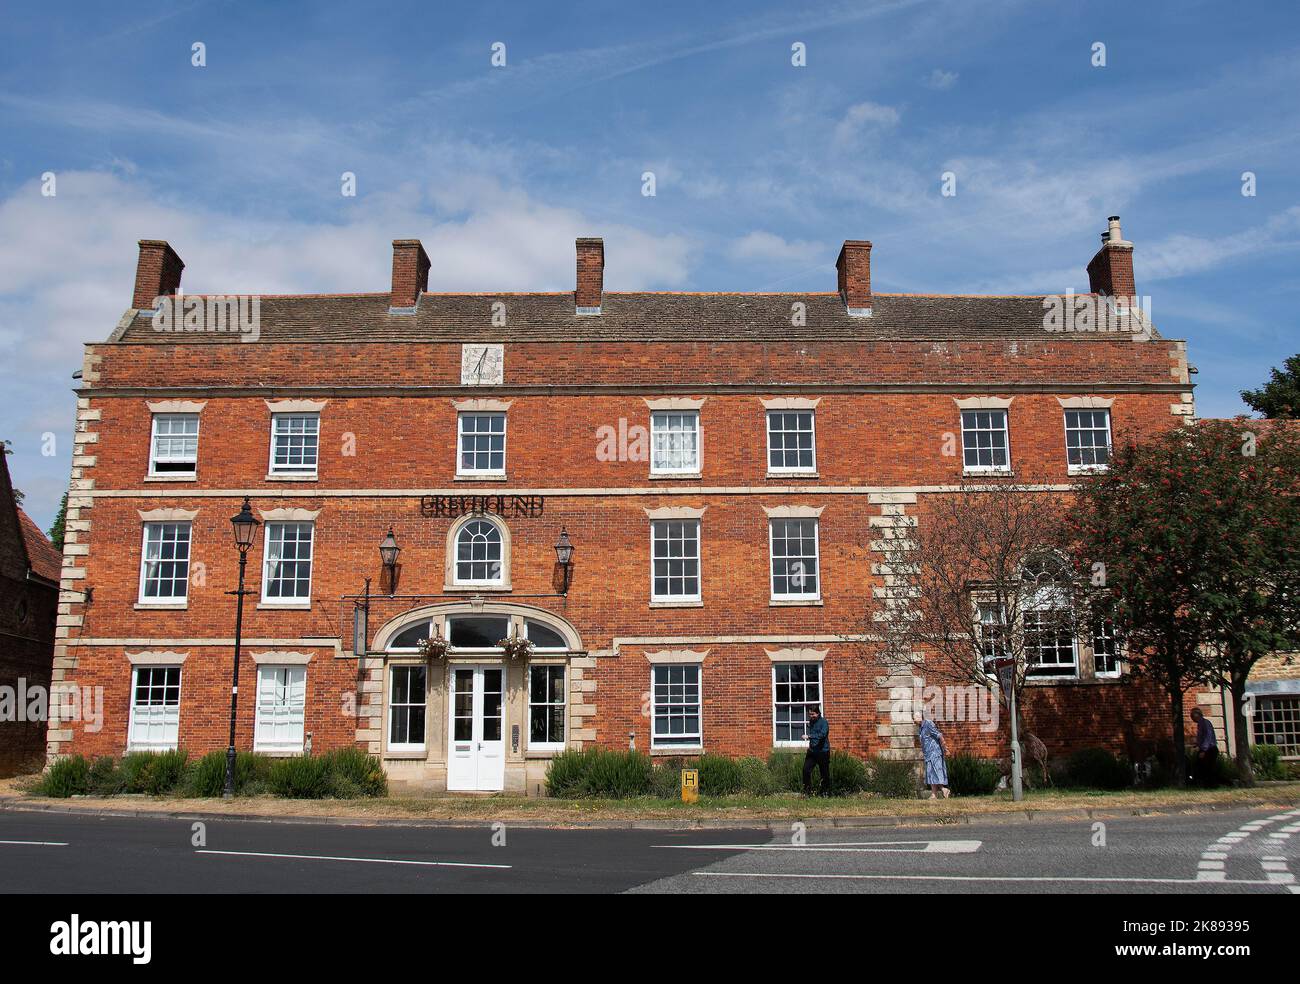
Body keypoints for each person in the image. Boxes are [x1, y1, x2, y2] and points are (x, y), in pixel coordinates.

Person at [915, 711, 951, 799]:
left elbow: (939, 735)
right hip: (928, 755)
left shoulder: (928, 724)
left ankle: (943, 789)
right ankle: (934, 794)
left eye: (915, 719)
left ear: (920, 718)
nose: (914, 721)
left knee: (936, 772)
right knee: (930, 774)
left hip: (935, 753)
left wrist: (945, 749)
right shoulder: (921, 728)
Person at [802, 707, 831, 796]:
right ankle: (807, 792)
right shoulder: (811, 722)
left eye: (813, 714)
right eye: (810, 714)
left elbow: (822, 735)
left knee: (824, 773)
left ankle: (825, 793)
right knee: (806, 770)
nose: (811, 716)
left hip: (823, 751)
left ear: (818, 713)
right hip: (812, 751)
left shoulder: (824, 722)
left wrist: (809, 736)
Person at [1190, 707, 1219, 788]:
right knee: (1201, 767)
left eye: (1192, 716)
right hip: (1206, 749)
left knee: (1208, 768)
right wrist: (1197, 745)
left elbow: (1208, 737)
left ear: (1197, 715)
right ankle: (1205, 784)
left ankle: (1212, 785)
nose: (1192, 718)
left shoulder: (1205, 723)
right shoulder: (1200, 724)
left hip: (1210, 749)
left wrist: (1203, 750)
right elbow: (1202, 738)